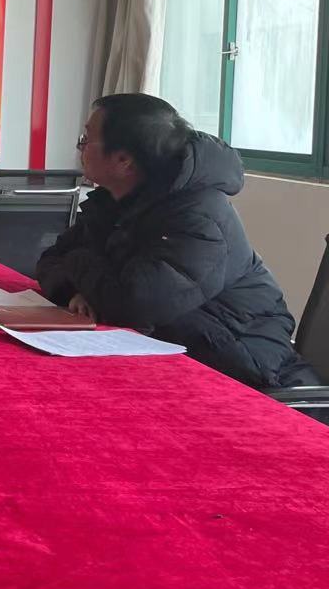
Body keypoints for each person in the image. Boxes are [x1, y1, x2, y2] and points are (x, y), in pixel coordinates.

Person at [37, 93, 316, 390]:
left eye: (86, 139)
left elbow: (133, 305)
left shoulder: (199, 217)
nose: (80, 147)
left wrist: (78, 262)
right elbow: (50, 260)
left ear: (124, 161)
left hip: (242, 365)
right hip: (174, 350)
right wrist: (73, 292)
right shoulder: (116, 200)